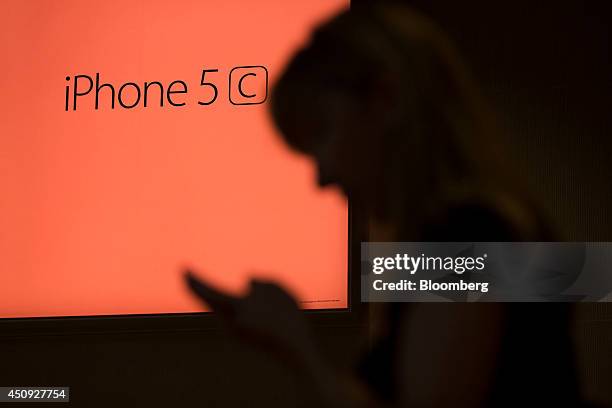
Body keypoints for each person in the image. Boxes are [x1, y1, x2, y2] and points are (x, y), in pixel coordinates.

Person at [185, 3, 582, 407]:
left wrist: (300, 349)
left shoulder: (465, 235)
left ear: (386, 99)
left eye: (322, 133)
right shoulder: (472, 232)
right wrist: (291, 343)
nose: (322, 178)